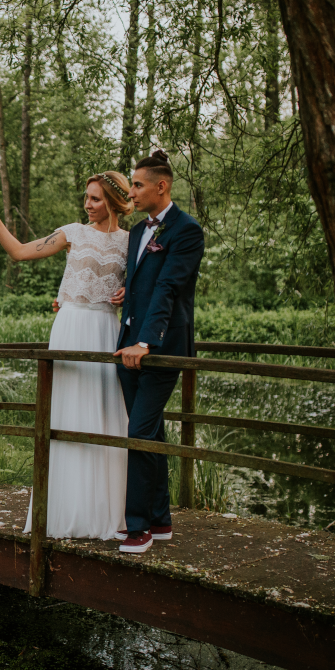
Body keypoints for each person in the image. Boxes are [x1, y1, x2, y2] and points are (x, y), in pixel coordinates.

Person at [0, 173, 132, 539]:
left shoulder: (131, 242)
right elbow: (20, 252)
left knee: (103, 414)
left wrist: (128, 291)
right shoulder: (72, 232)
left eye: (96, 199)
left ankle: (105, 513)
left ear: (114, 203)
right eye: (86, 197)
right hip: (71, 327)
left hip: (106, 331)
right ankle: (64, 510)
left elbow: (146, 285)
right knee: (68, 414)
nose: (87, 204)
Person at [113, 150, 205, 554]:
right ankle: (161, 519)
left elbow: (170, 287)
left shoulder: (187, 231)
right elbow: (143, 284)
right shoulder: (136, 233)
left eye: (136, 185)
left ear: (160, 186)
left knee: (138, 432)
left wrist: (146, 342)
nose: (130, 192)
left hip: (161, 346)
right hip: (128, 343)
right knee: (149, 430)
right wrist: (125, 295)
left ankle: (139, 528)